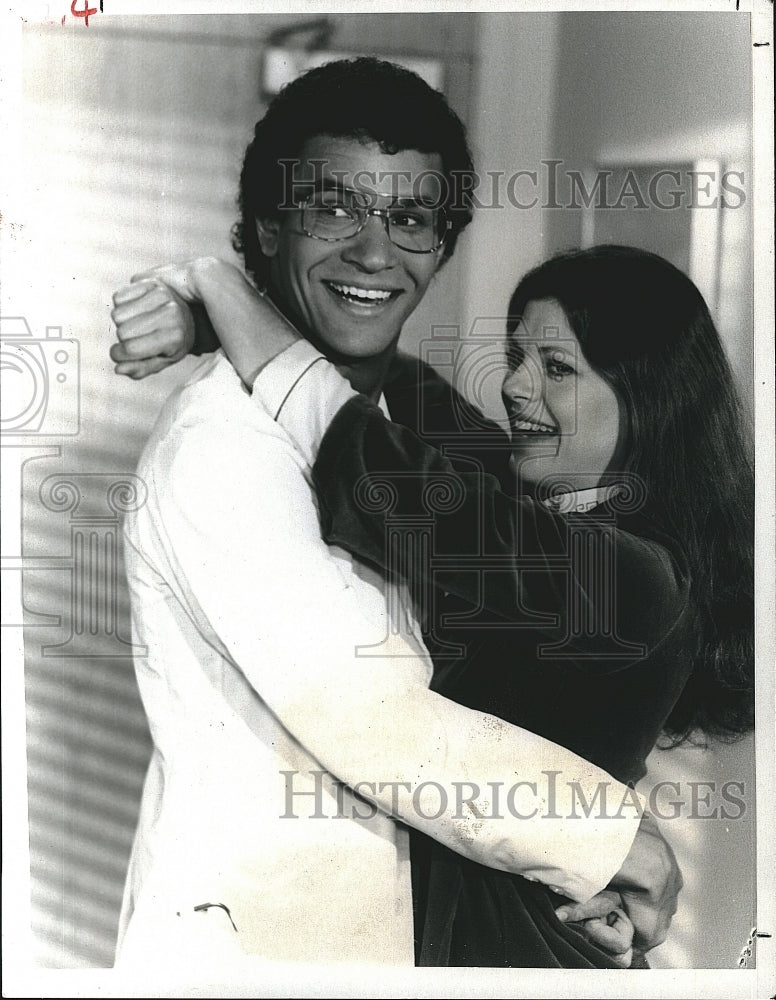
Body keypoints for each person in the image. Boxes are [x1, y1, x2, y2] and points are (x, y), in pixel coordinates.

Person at [110, 59, 684, 972]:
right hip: (261, 955)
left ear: (442, 244)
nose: (376, 254)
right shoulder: (223, 450)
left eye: (411, 219)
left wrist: (219, 307)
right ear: (270, 224)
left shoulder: (399, 423)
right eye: (335, 208)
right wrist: (619, 843)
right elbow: (372, 720)